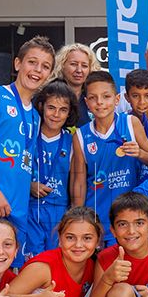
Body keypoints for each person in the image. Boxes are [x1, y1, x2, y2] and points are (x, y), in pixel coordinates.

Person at [0, 36, 53, 265]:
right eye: (32, 62)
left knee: (8, 272)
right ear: (17, 64)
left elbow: (23, 160)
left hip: (18, 207)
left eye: (45, 66)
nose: (37, 70)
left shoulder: (36, 116)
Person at [77, 70, 148, 245]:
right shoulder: (80, 135)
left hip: (129, 217)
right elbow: (79, 181)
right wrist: (79, 218)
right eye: (93, 98)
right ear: (86, 102)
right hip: (96, 216)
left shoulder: (131, 123)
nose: (100, 102)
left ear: (117, 99)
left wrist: (139, 153)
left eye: (106, 96)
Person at [31, 82, 85, 252]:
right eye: (51, 108)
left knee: (55, 259)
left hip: (58, 211)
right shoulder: (29, 134)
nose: (56, 114)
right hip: (29, 207)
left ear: (69, 113)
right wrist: (28, 185)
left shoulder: (72, 140)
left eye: (63, 110)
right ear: (41, 106)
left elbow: (77, 180)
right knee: (31, 260)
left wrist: (76, 215)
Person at [52, 42, 100, 126]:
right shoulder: (49, 93)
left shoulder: (95, 97)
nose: (79, 70)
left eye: (84, 66)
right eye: (73, 64)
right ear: (62, 65)